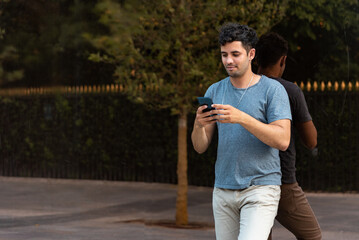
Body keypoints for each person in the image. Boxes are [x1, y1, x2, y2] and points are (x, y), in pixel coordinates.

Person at [191, 23, 292, 240]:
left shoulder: (273, 90)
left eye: (235, 54)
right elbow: (200, 147)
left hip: (260, 189)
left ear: (251, 54)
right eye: (224, 54)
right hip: (223, 190)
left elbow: (283, 140)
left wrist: (242, 118)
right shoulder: (215, 90)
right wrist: (198, 125)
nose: (228, 60)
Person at [256, 32, 322, 240]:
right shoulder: (289, 91)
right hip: (281, 183)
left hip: (248, 183)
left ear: (255, 57)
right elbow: (311, 141)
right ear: (283, 60)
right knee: (312, 236)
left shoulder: (241, 89)